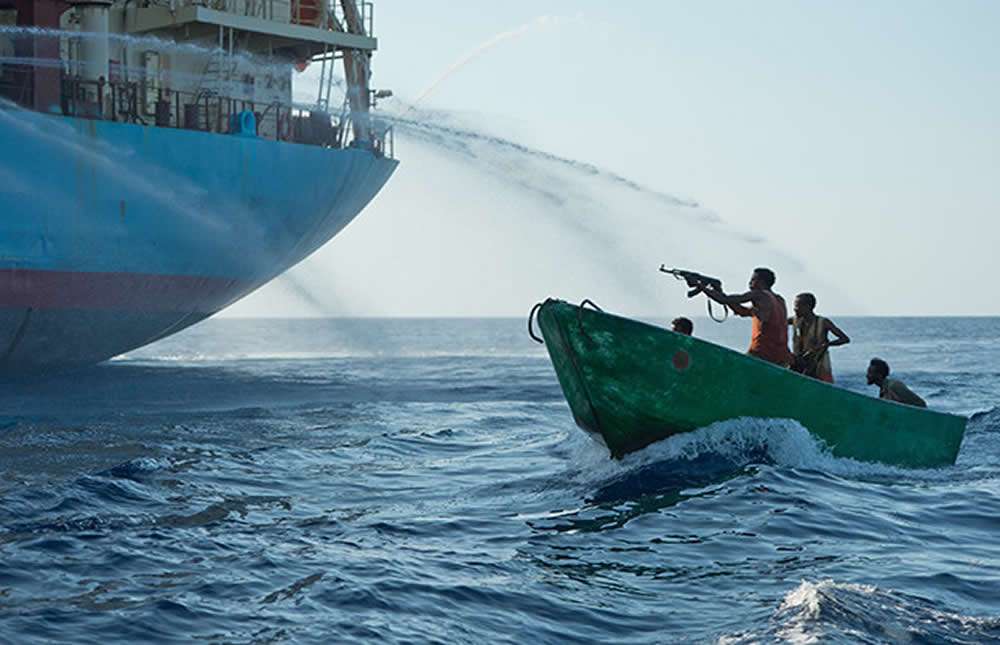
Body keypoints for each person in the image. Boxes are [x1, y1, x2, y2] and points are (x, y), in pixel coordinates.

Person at [701, 267, 792, 366]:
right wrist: (718, 290)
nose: (749, 283)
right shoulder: (779, 300)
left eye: (753, 280)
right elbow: (741, 311)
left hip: (762, 353)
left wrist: (700, 287)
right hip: (782, 356)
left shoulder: (759, 295)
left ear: (761, 282)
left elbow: (724, 299)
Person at [788, 292, 850, 383]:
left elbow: (845, 339)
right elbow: (777, 324)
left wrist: (826, 344)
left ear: (808, 307)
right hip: (799, 363)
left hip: (818, 365)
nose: (795, 309)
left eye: (798, 306)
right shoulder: (794, 320)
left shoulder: (823, 322)